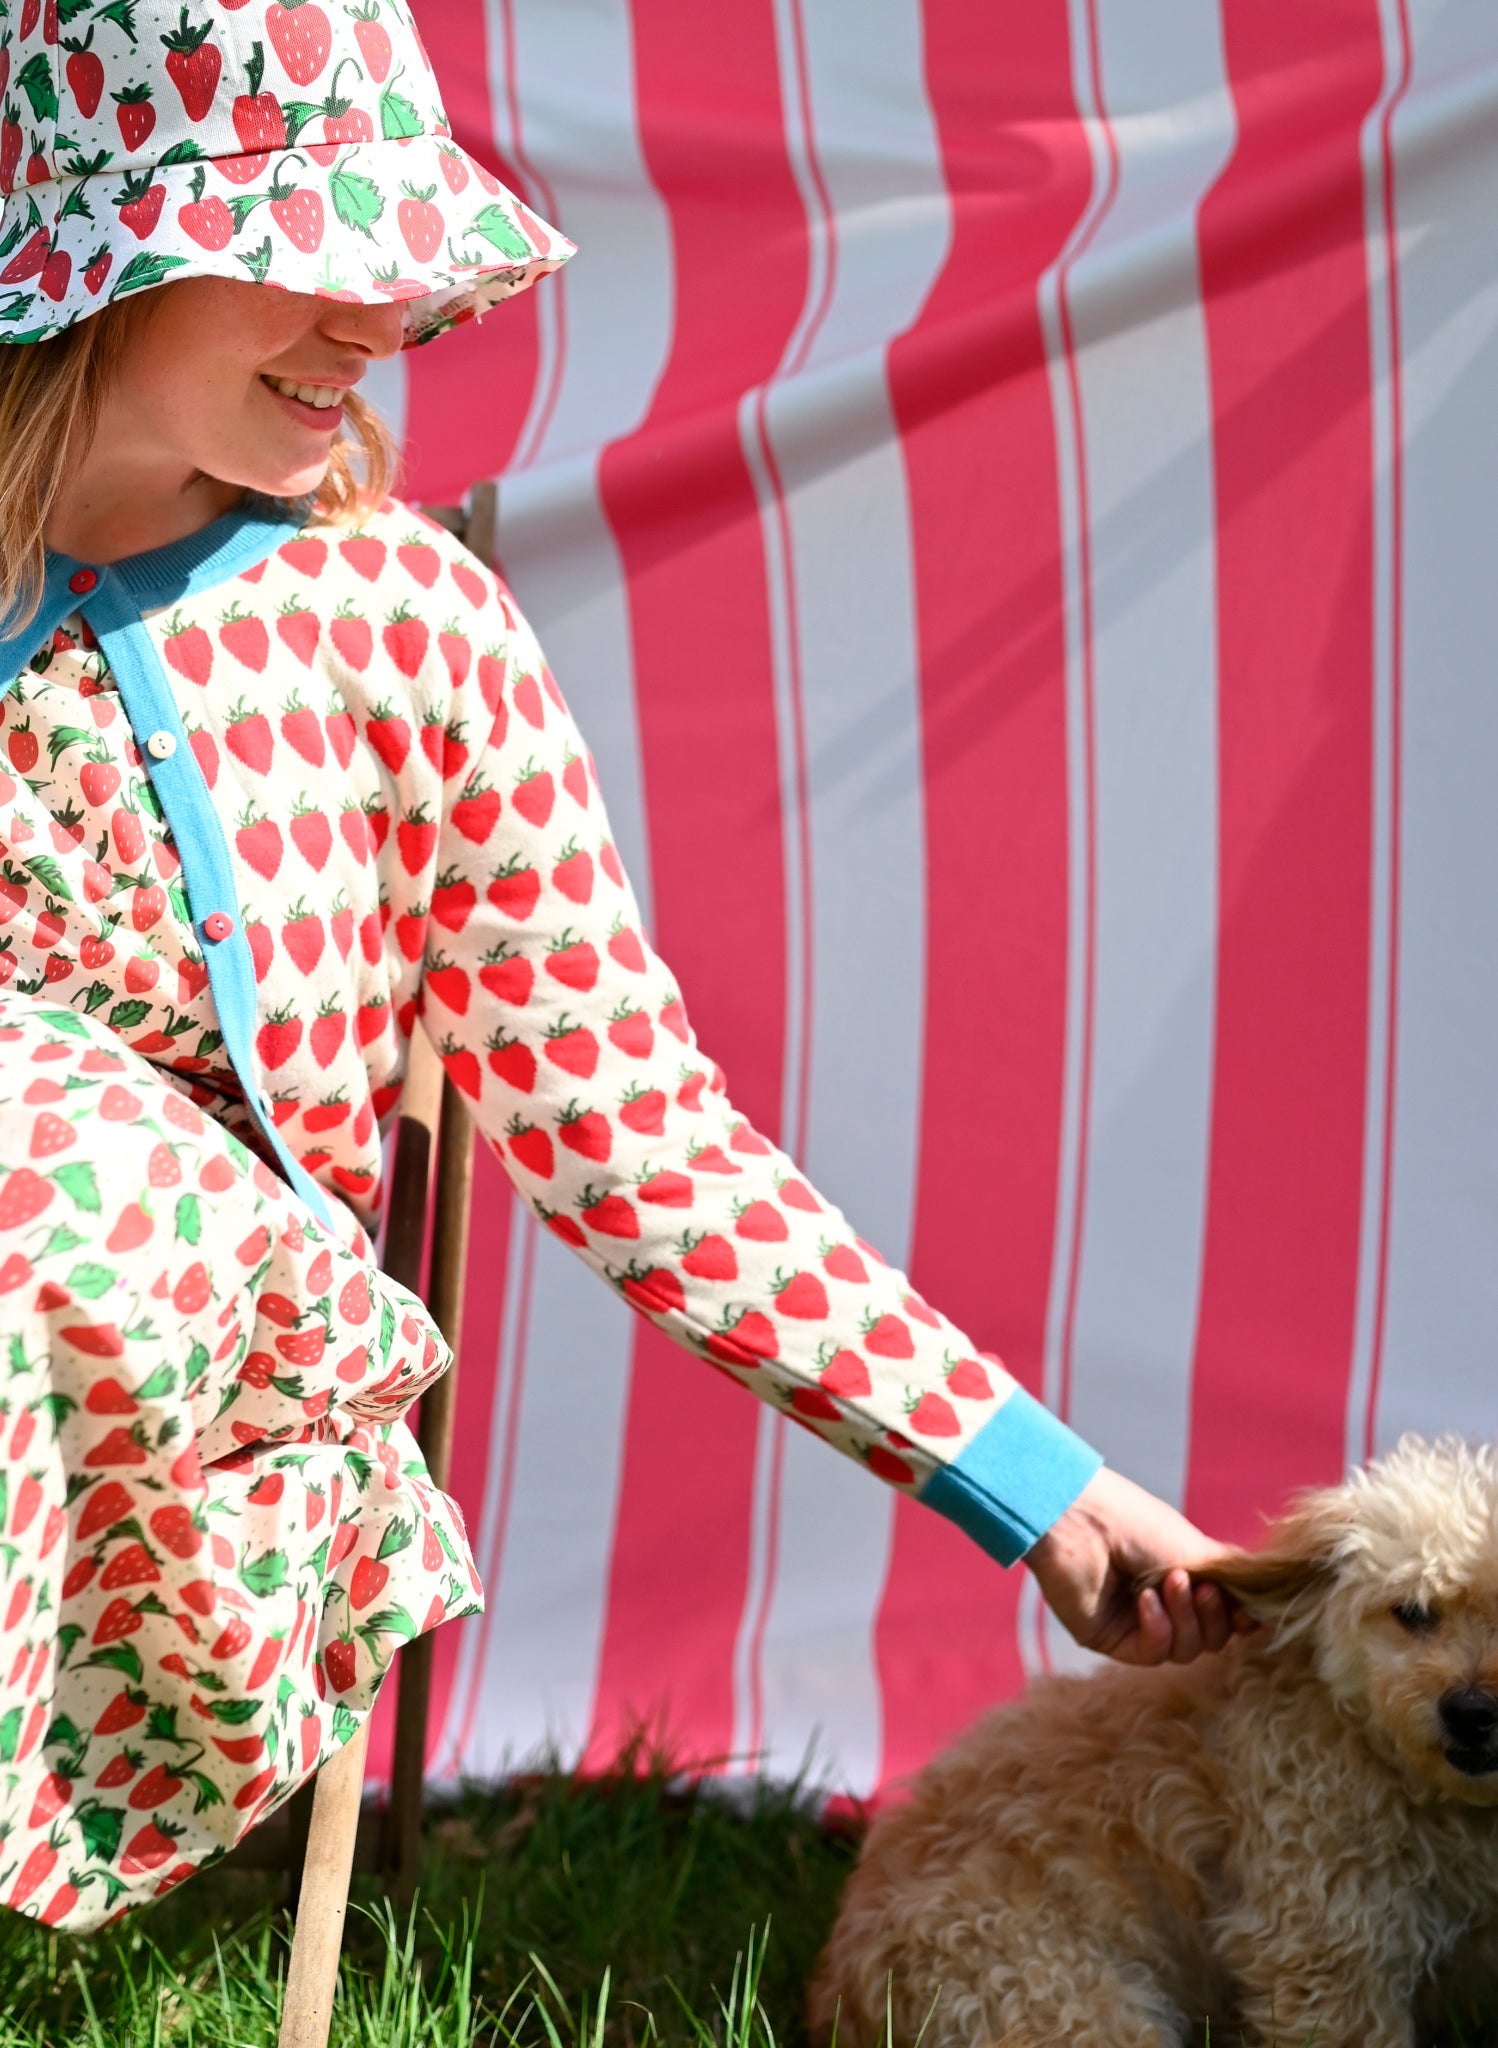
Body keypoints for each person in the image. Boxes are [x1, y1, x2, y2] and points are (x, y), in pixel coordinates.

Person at [0, 0, 1237, 1931]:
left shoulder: (399, 635)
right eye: (309, 255)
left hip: (203, 1468)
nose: (375, 323)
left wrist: (1039, 1487)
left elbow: (639, 1135)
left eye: (396, 268)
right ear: (105, 251)